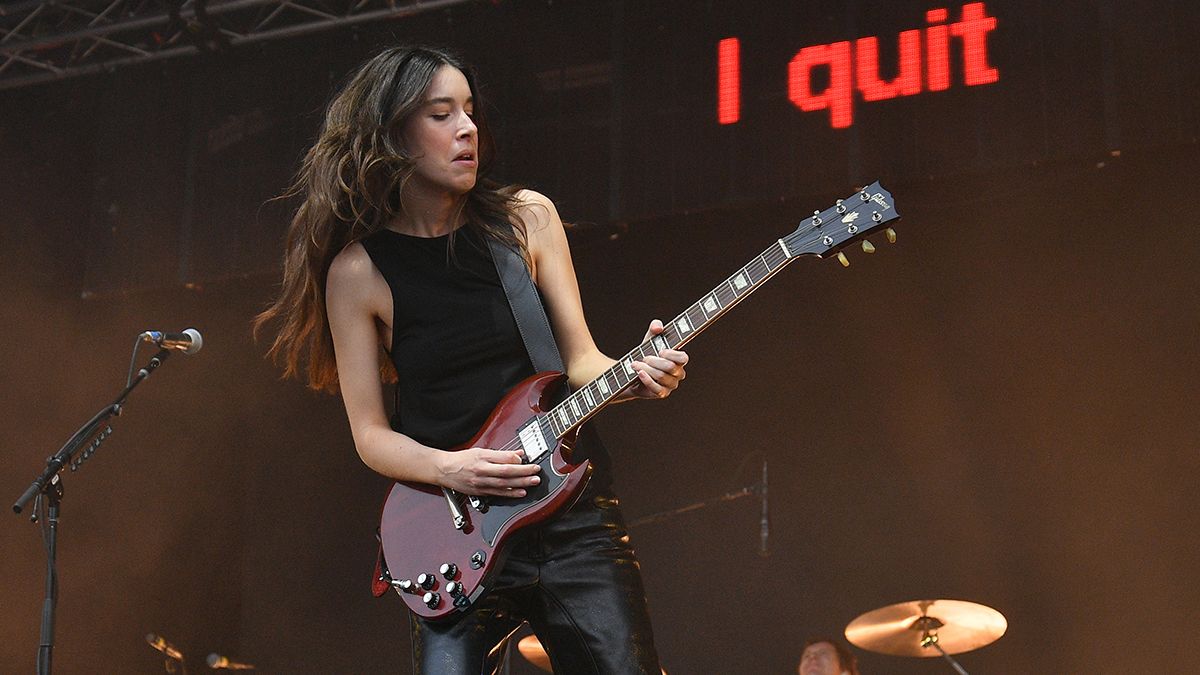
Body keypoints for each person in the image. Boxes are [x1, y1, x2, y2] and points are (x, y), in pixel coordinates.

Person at [254, 45, 688, 675]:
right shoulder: (358, 272)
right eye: (441, 114)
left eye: (469, 110)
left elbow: (582, 361)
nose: (467, 129)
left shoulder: (525, 220)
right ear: (393, 136)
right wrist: (451, 468)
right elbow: (370, 436)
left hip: (573, 523)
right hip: (455, 536)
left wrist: (635, 377)